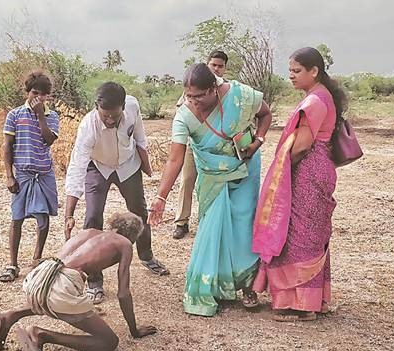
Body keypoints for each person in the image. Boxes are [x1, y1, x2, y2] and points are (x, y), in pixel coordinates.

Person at [149, 64, 272, 317]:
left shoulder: (239, 95)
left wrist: (258, 140)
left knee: (243, 226)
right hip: (212, 176)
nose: (194, 102)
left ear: (214, 89)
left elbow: (266, 114)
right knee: (213, 227)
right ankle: (213, 285)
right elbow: (175, 159)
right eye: (189, 96)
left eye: (199, 96)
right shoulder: (183, 116)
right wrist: (161, 197)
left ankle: (248, 287)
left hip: (245, 168)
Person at [0, 213, 158, 351]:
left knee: (56, 298)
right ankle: (40, 334)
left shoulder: (89, 232)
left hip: (39, 276)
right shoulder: (124, 244)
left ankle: (9, 315)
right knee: (109, 341)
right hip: (61, 287)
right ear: (132, 236)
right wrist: (134, 330)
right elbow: (123, 294)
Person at [251, 47, 348, 322]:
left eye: (296, 71)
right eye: (290, 71)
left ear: (313, 71)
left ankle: (300, 305)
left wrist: (282, 168)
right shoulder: (321, 96)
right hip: (320, 168)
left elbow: (302, 144)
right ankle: (312, 300)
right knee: (311, 232)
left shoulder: (315, 101)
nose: (291, 76)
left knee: (299, 234)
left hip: (309, 170)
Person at [64, 82, 169, 305]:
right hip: (98, 167)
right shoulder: (88, 127)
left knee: (139, 212)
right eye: (105, 115)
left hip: (128, 166)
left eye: (114, 115)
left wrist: (146, 163)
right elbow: (77, 167)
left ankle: (147, 256)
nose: (109, 120)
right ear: (96, 108)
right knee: (92, 218)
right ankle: (94, 281)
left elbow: (140, 137)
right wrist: (69, 212)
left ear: (123, 107)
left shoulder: (132, 106)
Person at [0, 71, 60, 282]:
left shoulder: (52, 116)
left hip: (43, 173)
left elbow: (49, 140)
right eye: (35, 93)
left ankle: (36, 258)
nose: (39, 98)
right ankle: (12, 264)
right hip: (23, 174)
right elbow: (8, 147)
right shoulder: (15, 115)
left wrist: (40, 115)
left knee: (42, 219)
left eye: (44, 95)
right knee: (17, 218)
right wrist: (9, 176)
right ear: (27, 92)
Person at [172, 50, 230, 240]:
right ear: (208, 65)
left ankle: (209, 223)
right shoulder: (193, 87)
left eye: (220, 66)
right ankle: (181, 222)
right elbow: (182, 112)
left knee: (216, 185)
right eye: (213, 65)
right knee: (188, 180)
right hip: (194, 144)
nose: (216, 69)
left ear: (225, 69)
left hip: (218, 150)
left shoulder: (228, 91)